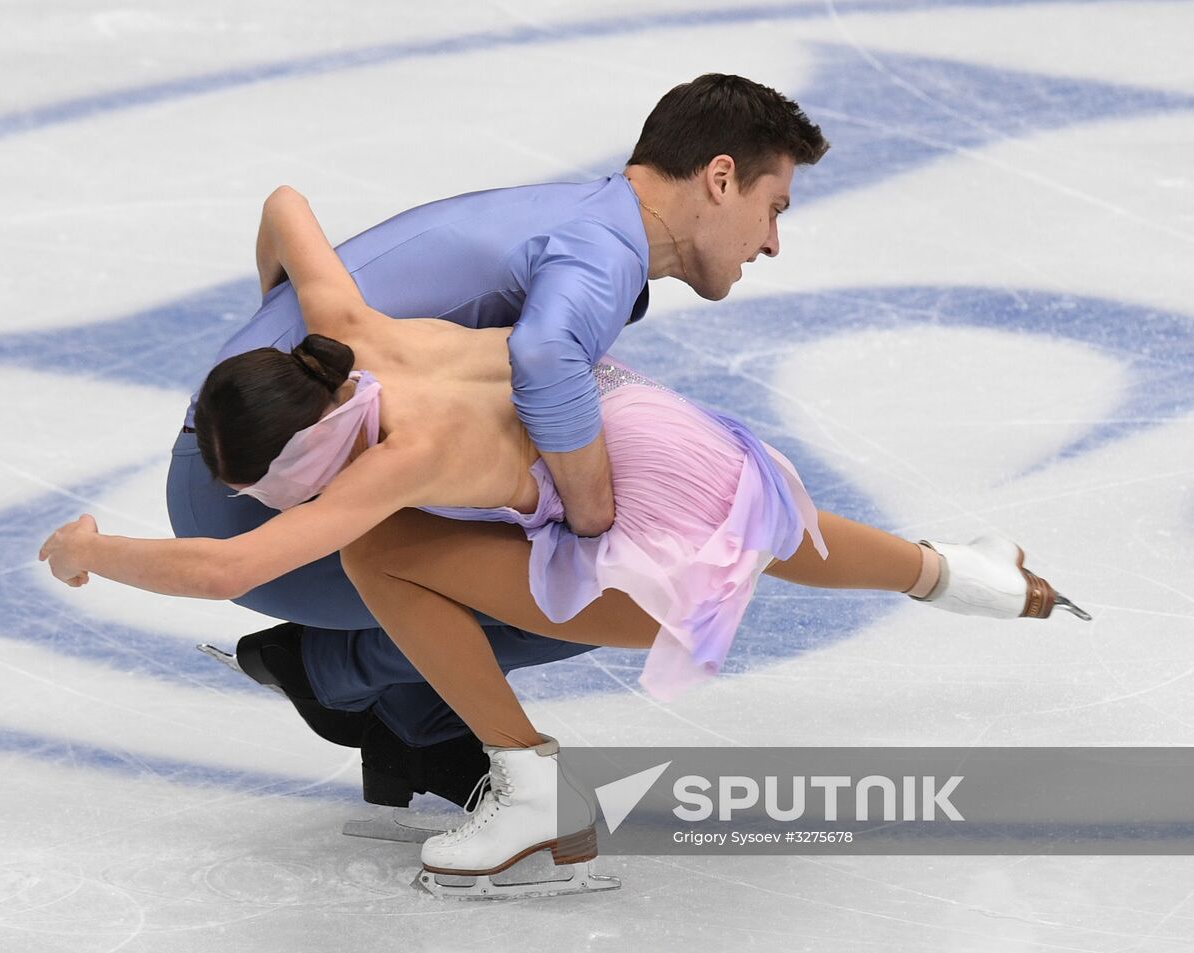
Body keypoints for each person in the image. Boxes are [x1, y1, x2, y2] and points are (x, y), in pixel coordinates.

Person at [40, 184, 1088, 896]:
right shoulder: (345, 334)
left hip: (637, 560)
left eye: (272, 481)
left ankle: (530, 785)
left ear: (314, 433)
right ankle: (959, 571)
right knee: (750, 516)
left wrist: (93, 548)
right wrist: (263, 310)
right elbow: (284, 207)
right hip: (660, 431)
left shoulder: (402, 452)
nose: (274, 500)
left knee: (375, 553)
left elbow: (229, 566)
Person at [163, 74, 833, 806]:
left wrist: (284, 352)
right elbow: (544, 355)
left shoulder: (581, 217)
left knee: (534, 526)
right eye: (773, 210)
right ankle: (329, 670)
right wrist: (594, 518)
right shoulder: (601, 254)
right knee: (600, 577)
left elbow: (282, 208)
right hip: (241, 498)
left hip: (219, 448)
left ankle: (412, 723)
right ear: (721, 178)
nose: (771, 241)